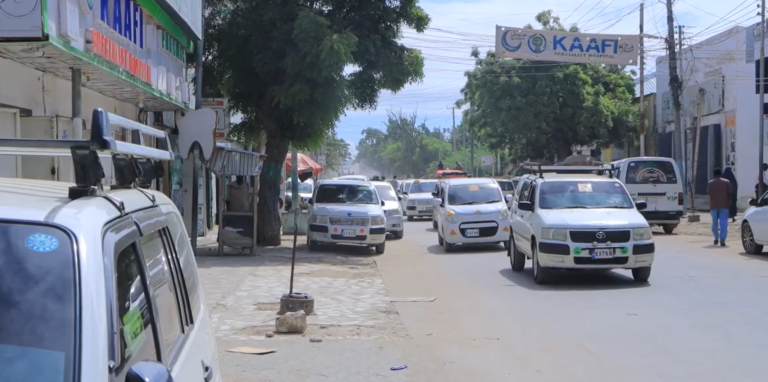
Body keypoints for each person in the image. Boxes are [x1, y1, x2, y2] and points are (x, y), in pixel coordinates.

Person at [707, 168, 732, 247]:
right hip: (724, 205)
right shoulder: (726, 182)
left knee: (715, 223)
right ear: (721, 174)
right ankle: (722, 239)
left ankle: (716, 238)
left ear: (714, 175)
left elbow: (708, 192)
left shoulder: (710, 183)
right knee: (723, 223)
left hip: (713, 205)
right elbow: (730, 192)